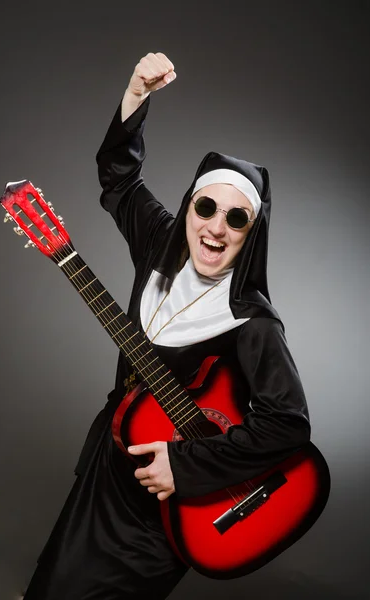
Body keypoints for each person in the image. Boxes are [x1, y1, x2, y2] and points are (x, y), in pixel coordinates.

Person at [21, 52, 310, 600]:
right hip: (113, 462)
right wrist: (136, 93)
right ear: (188, 209)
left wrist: (186, 463)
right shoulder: (160, 241)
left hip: (181, 498)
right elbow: (120, 177)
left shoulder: (252, 321)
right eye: (206, 207)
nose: (215, 228)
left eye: (237, 218)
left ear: (252, 233)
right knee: (53, 584)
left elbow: (288, 426)